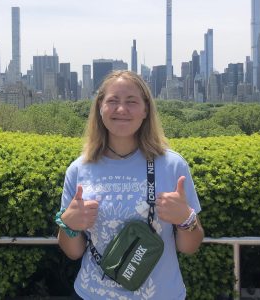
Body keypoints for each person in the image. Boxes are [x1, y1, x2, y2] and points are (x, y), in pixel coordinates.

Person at [55, 70, 204, 299]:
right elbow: (73, 251)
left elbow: (189, 247)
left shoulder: (172, 165)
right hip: (93, 293)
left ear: (145, 110)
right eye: (112, 101)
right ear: (100, 108)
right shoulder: (79, 169)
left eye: (131, 102)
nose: (121, 109)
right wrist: (68, 225)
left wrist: (186, 219)